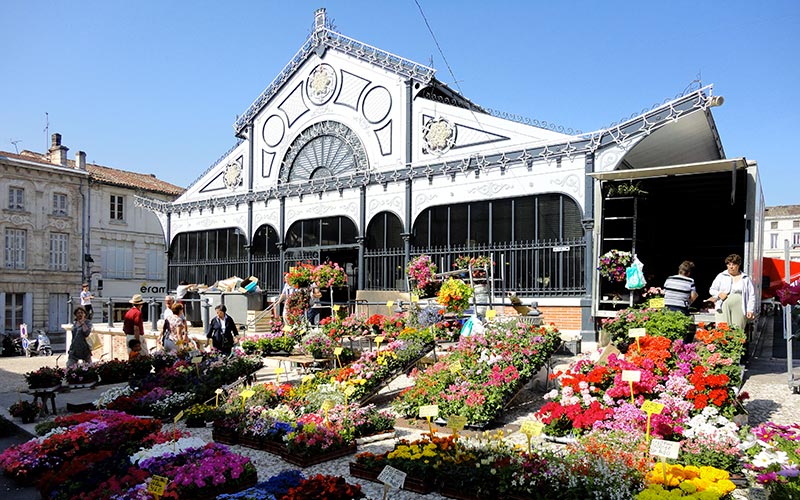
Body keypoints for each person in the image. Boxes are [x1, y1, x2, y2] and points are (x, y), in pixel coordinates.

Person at [709, 253, 756, 329]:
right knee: (722, 329)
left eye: (733, 264)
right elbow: (712, 290)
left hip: (740, 306)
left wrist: (750, 310)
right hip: (723, 305)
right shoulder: (721, 276)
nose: (731, 267)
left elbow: (751, 295)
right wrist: (719, 294)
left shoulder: (745, 278)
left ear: (738, 265)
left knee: (737, 330)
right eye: (729, 264)